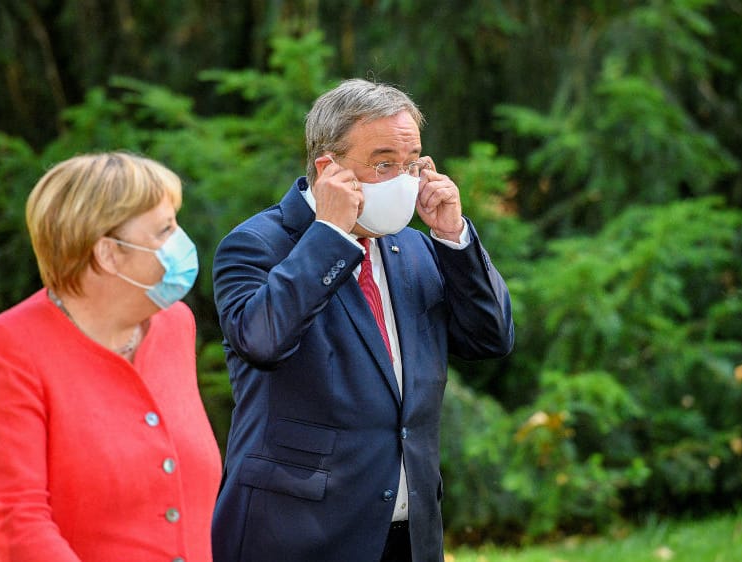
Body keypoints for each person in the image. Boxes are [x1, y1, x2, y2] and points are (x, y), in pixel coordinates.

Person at [211, 79, 515, 562]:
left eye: (412, 161)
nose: (404, 178)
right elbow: (263, 343)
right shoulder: (257, 244)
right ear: (328, 168)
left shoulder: (414, 246)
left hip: (408, 533)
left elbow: (490, 337)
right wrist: (329, 233)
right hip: (299, 534)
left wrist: (453, 235)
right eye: (383, 163)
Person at [0, 152, 222, 561]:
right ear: (107, 254)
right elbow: (16, 523)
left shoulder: (174, 324)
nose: (182, 241)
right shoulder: (9, 347)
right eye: (164, 230)